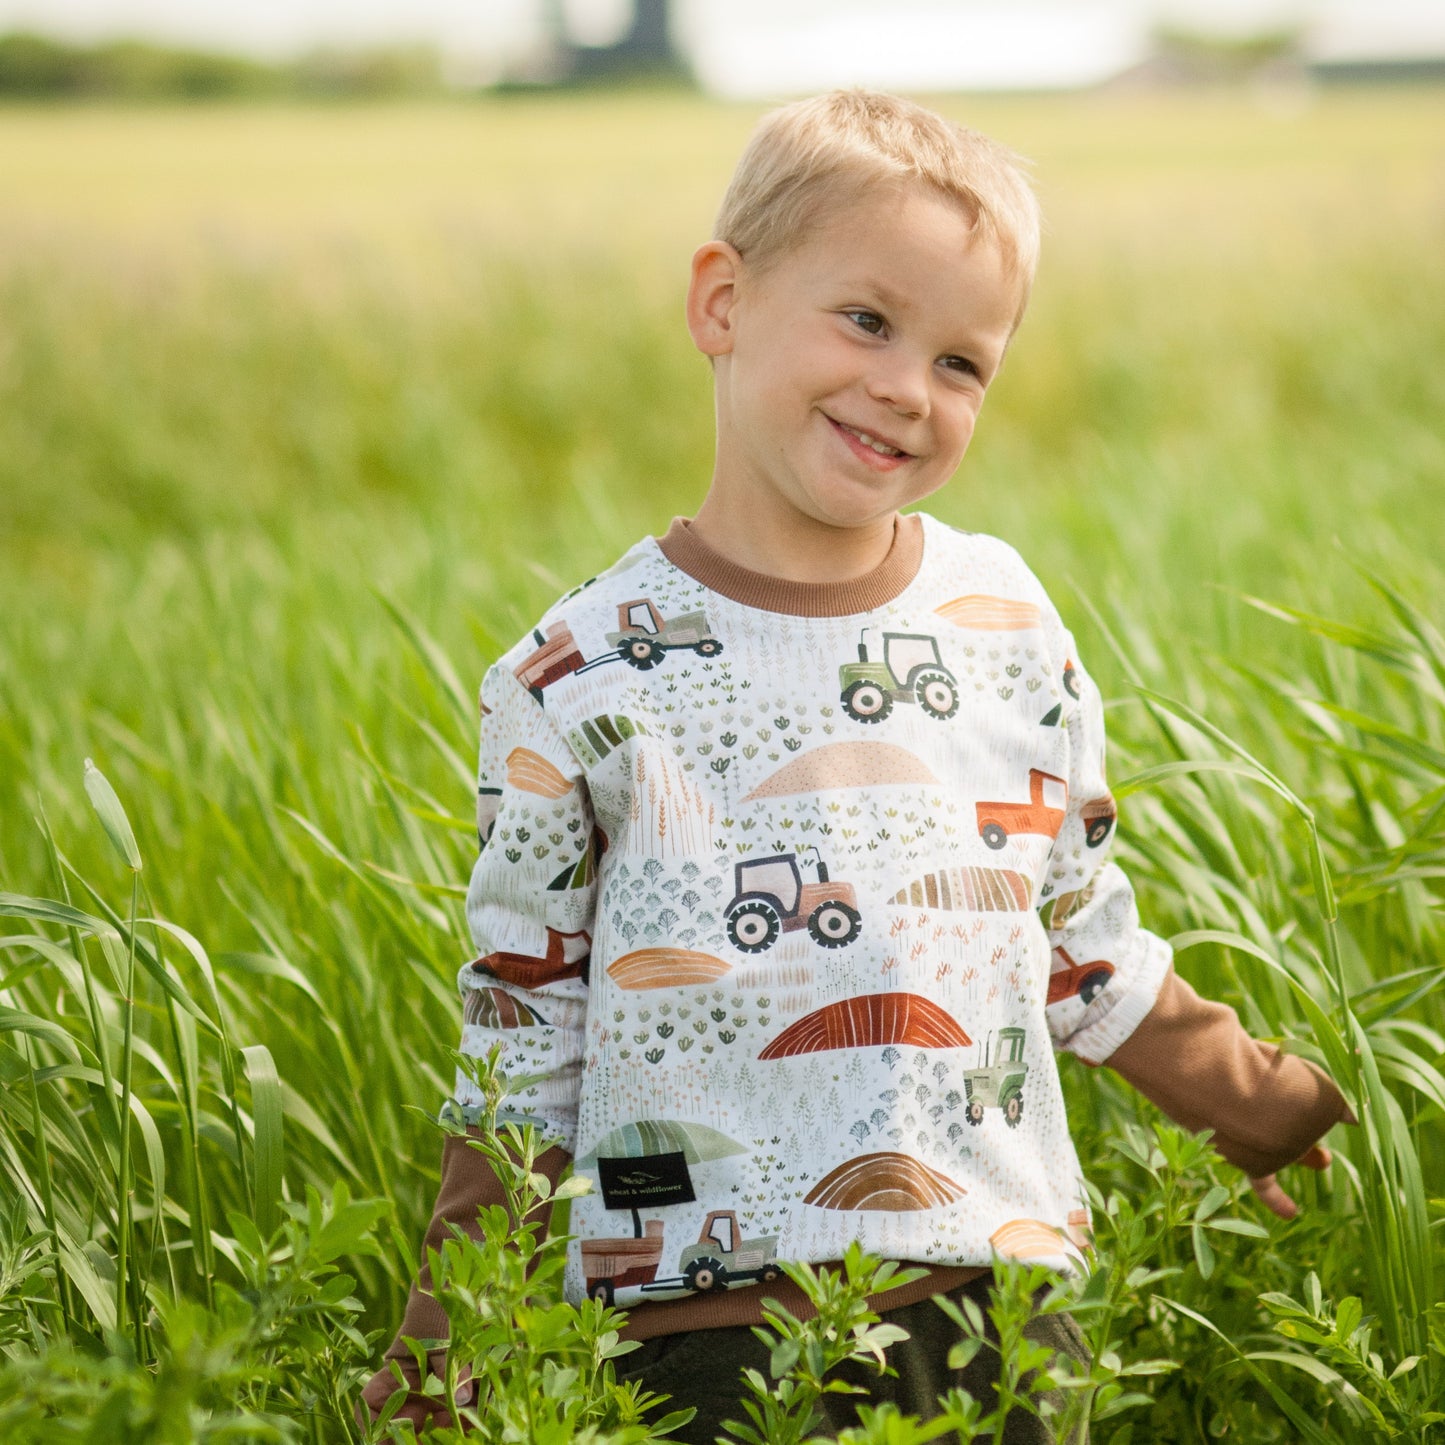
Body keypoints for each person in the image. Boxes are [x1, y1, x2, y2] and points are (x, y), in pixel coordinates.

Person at [361, 90, 1352, 1440]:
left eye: (962, 362)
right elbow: (524, 1026)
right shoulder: (574, 674)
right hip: (703, 1328)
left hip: (997, 1301)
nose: (906, 388)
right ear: (722, 300)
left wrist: (1258, 1100)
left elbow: (1069, 930)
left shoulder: (1002, 621)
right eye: (867, 320)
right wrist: (447, 1333)